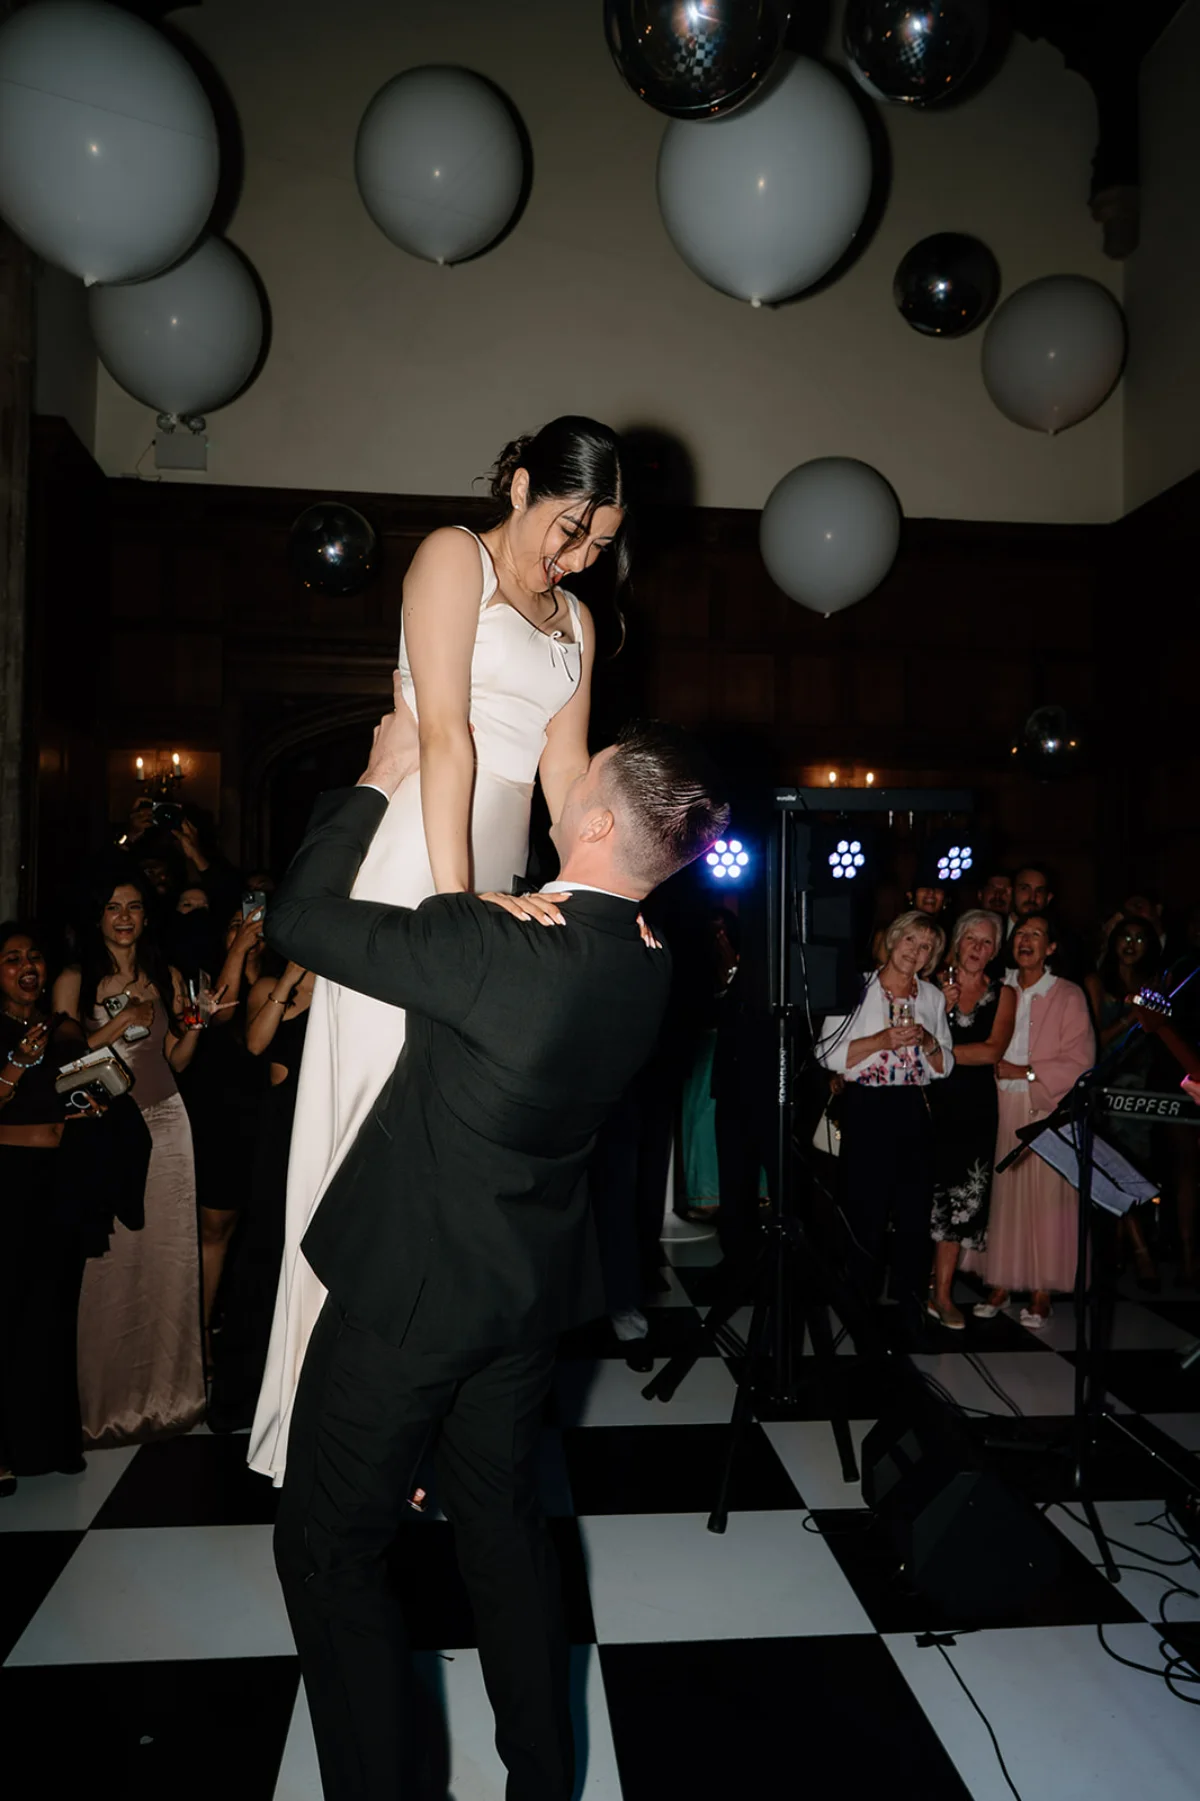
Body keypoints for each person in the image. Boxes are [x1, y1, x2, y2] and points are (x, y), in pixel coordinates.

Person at [261, 691, 728, 1801]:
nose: (571, 770)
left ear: (603, 825)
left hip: (409, 1298)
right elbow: (572, 942)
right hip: (519, 1303)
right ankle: (541, 1783)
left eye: (591, 768)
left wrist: (374, 779)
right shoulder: (652, 955)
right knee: (506, 1536)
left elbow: (298, 920)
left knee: (328, 1552)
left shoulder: (490, 941)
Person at [255, 415, 630, 1482]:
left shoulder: (577, 624)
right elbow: (445, 735)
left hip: (496, 871)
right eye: (567, 529)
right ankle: (330, 1418)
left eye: (598, 542)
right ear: (518, 486)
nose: (577, 558)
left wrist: (599, 894)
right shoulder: (448, 558)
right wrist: (462, 904)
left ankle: (417, 1416)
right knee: (377, 1121)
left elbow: (565, 778)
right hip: (420, 857)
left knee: (452, 1149)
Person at [54, 866, 208, 1445]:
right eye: (114, 907)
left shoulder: (163, 973)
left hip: (168, 1123)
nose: (124, 917)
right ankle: (102, 1403)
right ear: (98, 916)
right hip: (103, 1130)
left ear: (147, 916)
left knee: (167, 1262)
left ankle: (169, 1397)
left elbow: (177, 1060)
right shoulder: (74, 977)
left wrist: (194, 1026)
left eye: (135, 907)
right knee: (107, 1265)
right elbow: (63, 1062)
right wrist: (124, 1018)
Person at [815, 910, 954, 1340]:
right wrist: (881, 1040)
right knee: (865, 1213)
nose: (916, 952)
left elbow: (945, 1065)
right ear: (893, 940)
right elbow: (826, 1055)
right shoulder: (856, 987)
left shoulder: (930, 997)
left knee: (914, 1214)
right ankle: (857, 1305)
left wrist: (929, 1042)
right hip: (867, 1107)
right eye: (910, 941)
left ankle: (910, 1305)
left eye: (926, 947)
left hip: (912, 1105)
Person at [0, 924, 97, 1490]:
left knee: (54, 1313)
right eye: (12, 959)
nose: (26, 966)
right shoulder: (5, 1031)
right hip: (9, 1182)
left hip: (58, 1180)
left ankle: (54, 1440)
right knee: (7, 1315)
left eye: (34, 956)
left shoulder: (58, 1027)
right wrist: (15, 1060)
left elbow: (67, 1098)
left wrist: (88, 1106)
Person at [964, 914, 1095, 1328]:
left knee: (1046, 1200)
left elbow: (1082, 1060)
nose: (1026, 941)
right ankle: (1000, 1283)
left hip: (1045, 1107)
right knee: (1005, 1197)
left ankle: (1041, 1292)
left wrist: (1027, 1072)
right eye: (1020, 933)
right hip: (999, 1105)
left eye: (1037, 934)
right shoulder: (996, 988)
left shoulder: (1067, 994)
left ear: (1051, 947)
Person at [927, 910, 1015, 1328]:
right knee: (918, 1196)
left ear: (995, 950)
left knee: (960, 1204)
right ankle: (912, 1286)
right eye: (971, 940)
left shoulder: (1004, 994)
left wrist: (937, 1051)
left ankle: (941, 1295)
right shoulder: (928, 985)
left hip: (974, 1108)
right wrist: (935, 1013)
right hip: (927, 1101)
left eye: (987, 943)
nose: (978, 949)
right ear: (956, 942)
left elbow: (992, 1051)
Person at [1084, 914, 1164, 1286]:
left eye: (1139, 939)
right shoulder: (1097, 982)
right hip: (1107, 1086)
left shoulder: (1155, 985)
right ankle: (1139, 1252)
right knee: (1113, 1168)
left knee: (1137, 1170)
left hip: (1144, 1087)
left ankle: (1122, 1250)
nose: (1130, 944)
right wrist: (1132, 1016)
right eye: (1125, 937)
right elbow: (1094, 1040)